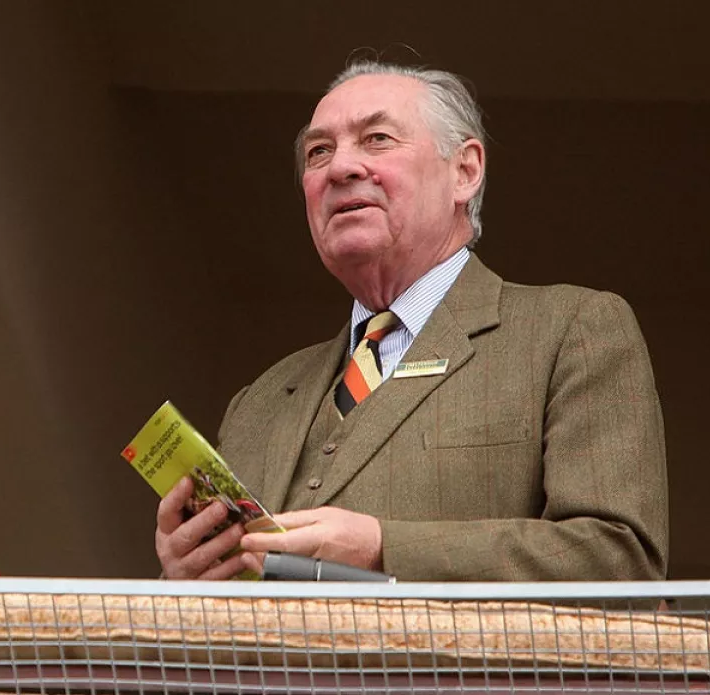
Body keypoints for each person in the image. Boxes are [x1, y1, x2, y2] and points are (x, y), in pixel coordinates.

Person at [155, 61, 668, 582]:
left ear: (465, 171)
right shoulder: (257, 402)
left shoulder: (571, 330)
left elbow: (618, 559)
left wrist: (383, 547)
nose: (340, 168)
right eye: (318, 151)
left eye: (377, 139)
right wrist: (184, 574)